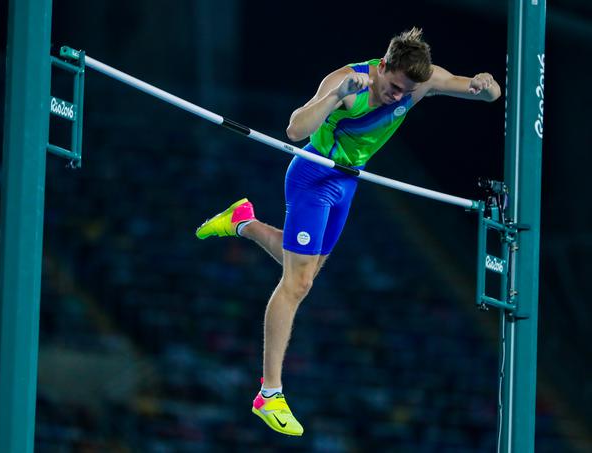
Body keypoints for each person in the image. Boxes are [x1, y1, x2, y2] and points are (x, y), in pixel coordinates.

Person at [195, 27, 501, 436]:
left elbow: (484, 93)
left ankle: (242, 221)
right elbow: (294, 130)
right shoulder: (348, 81)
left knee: (306, 272)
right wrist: (334, 97)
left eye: (406, 92)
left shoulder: (421, 82)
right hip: (313, 176)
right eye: (393, 87)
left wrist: (486, 84)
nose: (398, 97)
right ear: (384, 65)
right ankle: (269, 394)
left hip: (347, 182)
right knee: (297, 283)